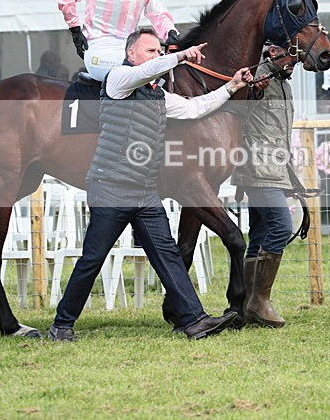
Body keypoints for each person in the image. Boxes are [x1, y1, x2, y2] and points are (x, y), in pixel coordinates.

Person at [49, 28, 253, 341]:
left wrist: (231, 86)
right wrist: (180, 56)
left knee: (168, 255)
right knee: (93, 259)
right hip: (112, 187)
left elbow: (194, 108)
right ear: (131, 54)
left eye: (159, 51)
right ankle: (62, 325)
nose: (156, 56)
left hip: (144, 191)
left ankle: (194, 320)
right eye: (150, 51)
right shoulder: (118, 79)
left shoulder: (158, 95)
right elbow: (148, 71)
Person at [231, 43, 297, 328]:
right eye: (290, 55)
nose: (294, 62)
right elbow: (238, 114)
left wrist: (289, 176)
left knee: (259, 233)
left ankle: (247, 304)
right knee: (282, 226)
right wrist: (255, 92)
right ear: (272, 52)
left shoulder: (283, 83)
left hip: (273, 168)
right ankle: (259, 300)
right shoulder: (257, 75)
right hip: (256, 166)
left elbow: (280, 135)